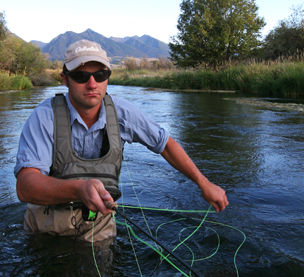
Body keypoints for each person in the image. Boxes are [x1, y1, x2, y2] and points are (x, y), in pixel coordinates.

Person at [15, 39, 228, 242]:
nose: (92, 84)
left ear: (108, 77)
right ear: (65, 79)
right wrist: (79, 188)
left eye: (100, 74)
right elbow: (25, 187)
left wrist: (204, 183)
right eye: (81, 76)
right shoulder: (44, 117)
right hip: (45, 228)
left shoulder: (123, 112)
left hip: (98, 225)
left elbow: (166, 145)